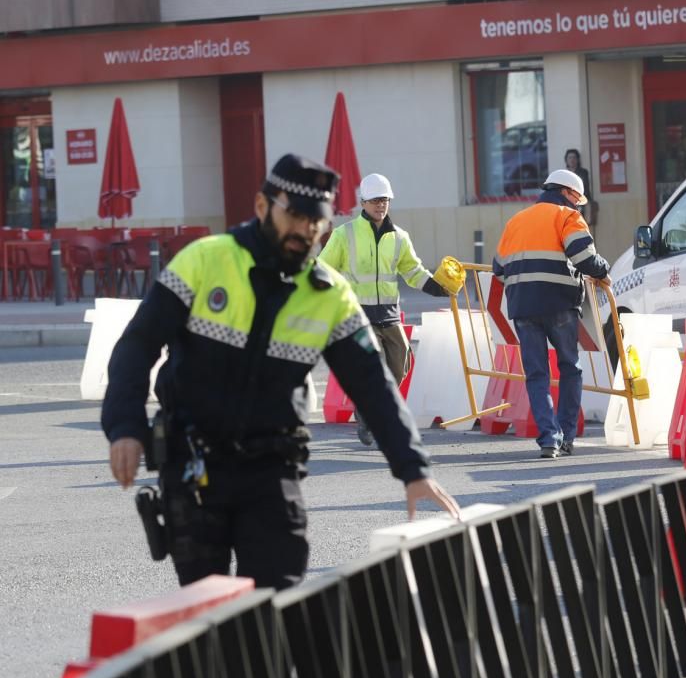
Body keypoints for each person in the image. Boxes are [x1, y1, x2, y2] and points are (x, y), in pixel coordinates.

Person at [102, 154, 459, 590]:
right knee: (203, 611)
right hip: (194, 465)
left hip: (272, 471)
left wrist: (413, 467)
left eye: (317, 221)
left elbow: (373, 385)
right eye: (295, 216)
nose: (306, 230)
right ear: (260, 207)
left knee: (277, 608)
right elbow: (137, 344)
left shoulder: (329, 294)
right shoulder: (205, 261)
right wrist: (125, 427)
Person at [318, 172, 449, 446]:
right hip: (358, 315)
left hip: (389, 314)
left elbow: (412, 269)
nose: (381, 205)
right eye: (376, 200)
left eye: (385, 200)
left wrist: (435, 286)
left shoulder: (399, 237)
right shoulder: (344, 235)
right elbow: (323, 269)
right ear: (364, 202)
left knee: (400, 363)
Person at [492, 168, 609, 459]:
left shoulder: (516, 220)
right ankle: (567, 437)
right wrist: (604, 270)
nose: (577, 204)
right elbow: (584, 257)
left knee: (537, 374)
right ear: (568, 193)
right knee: (570, 368)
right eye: (577, 198)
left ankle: (549, 439)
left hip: (523, 307)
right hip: (558, 304)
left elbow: (498, 268)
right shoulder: (568, 216)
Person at [564, 148, 598, 227]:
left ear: (578, 160)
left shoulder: (583, 172)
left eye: (574, 157)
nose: (572, 160)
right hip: (567, 205)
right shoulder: (564, 173)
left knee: (581, 226)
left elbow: (585, 189)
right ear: (566, 160)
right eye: (570, 157)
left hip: (581, 203)